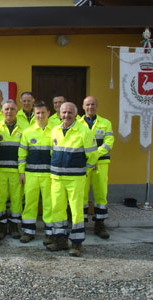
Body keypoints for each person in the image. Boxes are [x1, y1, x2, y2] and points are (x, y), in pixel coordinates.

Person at [47, 102, 99, 257]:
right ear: (60, 114)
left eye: (69, 112)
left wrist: (84, 170)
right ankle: (60, 241)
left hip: (75, 179)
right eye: (63, 112)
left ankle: (76, 243)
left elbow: (93, 155)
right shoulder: (55, 130)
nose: (66, 115)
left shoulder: (84, 131)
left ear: (75, 114)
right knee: (57, 209)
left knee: (76, 211)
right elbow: (52, 151)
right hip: (57, 178)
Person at [79, 96, 114, 239]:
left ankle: (100, 224)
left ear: (97, 105)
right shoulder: (77, 123)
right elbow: (76, 144)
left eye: (93, 104)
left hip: (101, 163)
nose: (90, 107)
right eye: (87, 104)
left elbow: (108, 143)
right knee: (81, 194)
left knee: (101, 194)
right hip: (84, 164)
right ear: (83, 106)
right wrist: (89, 159)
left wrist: (93, 156)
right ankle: (80, 224)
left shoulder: (106, 123)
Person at [19, 101, 53, 245]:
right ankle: (28, 231)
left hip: (49, 175)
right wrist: (21, 172)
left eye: (42, 112)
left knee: (49, 204)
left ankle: (50, 234)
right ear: (34, 114)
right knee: (30, 204)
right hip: (31, 174)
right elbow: (22, 154)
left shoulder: (55, 131)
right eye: (37, 113)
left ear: (48, 113)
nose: (40, 115)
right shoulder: (27, 132)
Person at [0, 100, 23, 240]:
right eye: (6, 109)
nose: (9, 112)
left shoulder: (24, 128)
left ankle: (14, 225)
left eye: (12, 109)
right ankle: (1, 224)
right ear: (2, 111)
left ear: (16, 111)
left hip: (17, 170)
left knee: (16, 199)